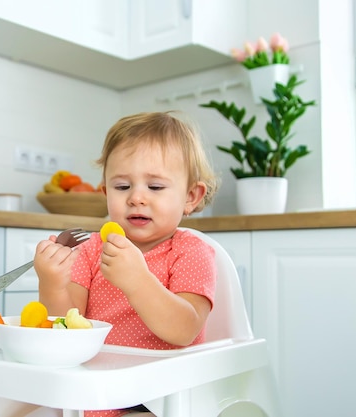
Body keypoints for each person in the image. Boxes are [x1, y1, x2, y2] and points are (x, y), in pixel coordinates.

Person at [29, 111, 220, 417]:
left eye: (155, 187)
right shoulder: (93, 250)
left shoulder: (191, 251)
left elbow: (184, 330)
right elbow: (67, 327)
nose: (136, 198)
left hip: (158, 397)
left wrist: (137, 281)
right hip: (90, 391)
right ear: (105, 193)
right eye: (122, 187)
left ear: (191, 196)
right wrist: (51, 282)